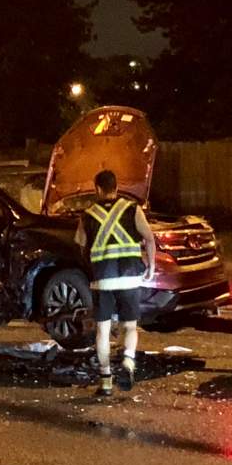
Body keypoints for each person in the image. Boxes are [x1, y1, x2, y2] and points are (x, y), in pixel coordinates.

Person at [75, 169, 156, 397]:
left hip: (103, 280)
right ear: (117, 187)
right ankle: (128, 362)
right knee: (130, 326)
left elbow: (80, 246)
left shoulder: (88, 214)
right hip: (130, 276)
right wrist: (151, 266)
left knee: (102, 330)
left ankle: (106, 381)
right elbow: (149, 238)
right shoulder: (132, 209)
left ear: (97, 189)